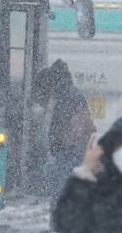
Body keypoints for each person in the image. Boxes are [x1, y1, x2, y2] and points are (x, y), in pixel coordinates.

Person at [32, 60, 96, 224]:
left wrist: (65, 140)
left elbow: (75, 122)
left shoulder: (66, 95)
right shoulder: (68, 93)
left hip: (68, 146)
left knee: (60, 184)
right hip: (71, 146)